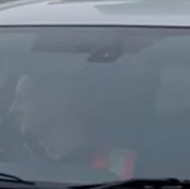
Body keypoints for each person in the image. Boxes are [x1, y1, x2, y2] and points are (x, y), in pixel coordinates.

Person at [7, 69, 137, 178]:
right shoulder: (9, 161)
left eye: (23, 98)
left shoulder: (128, 167)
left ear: (57, 102)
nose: (12, 109)